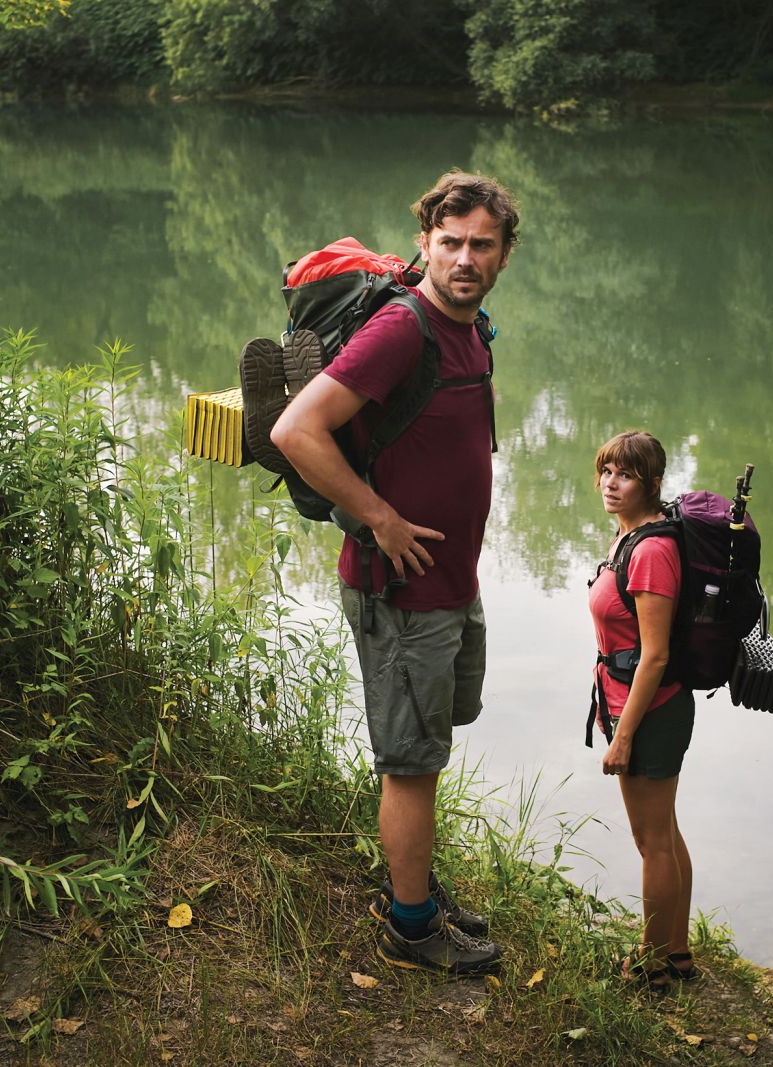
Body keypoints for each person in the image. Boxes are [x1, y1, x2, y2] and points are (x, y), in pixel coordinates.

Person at [271, 170, 518, 976]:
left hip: (451, 581)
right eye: (450, 243)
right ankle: (411, 927)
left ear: (504, 254)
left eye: (482, 244)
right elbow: (296, 429)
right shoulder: (403, 330)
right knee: (410, 764)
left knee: (430, 749)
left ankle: (416, 885)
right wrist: (378, 515)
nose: (464, 258)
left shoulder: (473, 327)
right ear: (425, 244)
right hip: (399, 587)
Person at [587, 430, 701, 992]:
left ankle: (651, 965)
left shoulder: (652, 551)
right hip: (631, 703)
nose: (611, 484)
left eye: (624, 475)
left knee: (651, 840)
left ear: (651, 483)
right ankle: (677, 953)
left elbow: (654, 655)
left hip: (650, 710)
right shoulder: (628, 536)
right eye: (606, 471)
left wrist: (623, 736)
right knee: (665, 830)